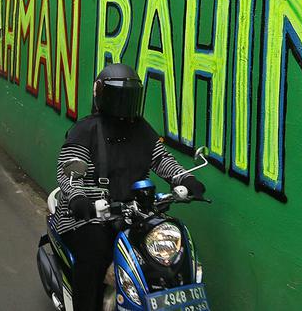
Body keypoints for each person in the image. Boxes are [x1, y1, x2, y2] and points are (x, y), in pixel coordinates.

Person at [51, 64, 205, 311]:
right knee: (94, 256)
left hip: (135, 211)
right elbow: (68, 173)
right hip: (88, 215)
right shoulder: (84, 130)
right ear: (101, 95)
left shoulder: (141, 128)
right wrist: (78, 199)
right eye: (118, 96)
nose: (124, 103)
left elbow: (161, 159)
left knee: (167, 255)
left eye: (129, 97)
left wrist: (185, 179)